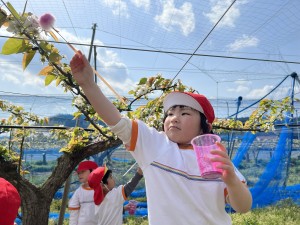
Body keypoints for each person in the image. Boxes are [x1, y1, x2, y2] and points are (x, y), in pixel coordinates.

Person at [70, 51, 252, 225]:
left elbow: (243, 207)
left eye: (185, 113)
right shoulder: (155, 145)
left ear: (206, 127)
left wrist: (232, 181)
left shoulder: (215, 158)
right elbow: (116, 121)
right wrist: (88, 84)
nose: (174, 117)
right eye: (170, 113)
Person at [68, 160, 98, 225]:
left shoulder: (102, 189)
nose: (80, 175)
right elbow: (74, 213)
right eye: (79, 173)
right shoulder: (78, 192)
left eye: (82, 172)